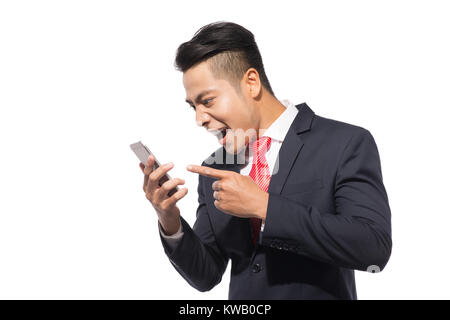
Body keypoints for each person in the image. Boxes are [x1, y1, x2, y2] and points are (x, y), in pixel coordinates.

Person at [139, 21, 392, 299]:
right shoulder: (214, 168)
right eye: (193, 106)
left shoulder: (344, 143)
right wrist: (170, 220)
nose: (199, 119)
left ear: (251, 82)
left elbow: (373, 249)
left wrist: (265, 207)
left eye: (207, 101)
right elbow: (206, 274)